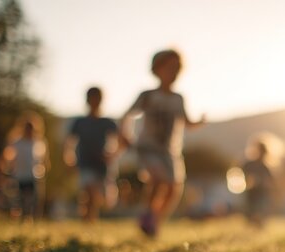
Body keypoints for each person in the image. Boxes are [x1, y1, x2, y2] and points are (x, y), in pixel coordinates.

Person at [118, 49, 205, 236]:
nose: (173, 72)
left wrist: (199, 122)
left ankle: (155, 220)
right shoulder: (148, 96)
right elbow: (127, 115)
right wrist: (124, 135)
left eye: (177, 69)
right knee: (158, 179)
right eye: (169, 67)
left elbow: (187, 123)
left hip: (169, 151)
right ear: (157, 70)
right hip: (147, 148)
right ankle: (148, 214)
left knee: (174, 188)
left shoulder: (178, 98)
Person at [64, 87, 119, 222]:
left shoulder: (106, 122)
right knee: (88, 190)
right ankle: (87, 220)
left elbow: (121, 139)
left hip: (101, 165)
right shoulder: (80, 122)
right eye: (92, 98)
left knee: (97, 196)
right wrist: (67, 158)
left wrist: (112, 153)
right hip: (85, 163)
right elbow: (68, 142)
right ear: (87, 100)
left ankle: (91, 218)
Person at [0, 112, 50, 222]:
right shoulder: (16, 143)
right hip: (19, 176)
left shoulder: (39, 143)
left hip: (34, 177)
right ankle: (21, 221)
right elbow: (7, 157)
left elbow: (44, 160)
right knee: (20, 202)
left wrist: (44, 169)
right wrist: (5, 171)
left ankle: (32, 220)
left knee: (33, 201)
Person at [241, 135, 280, 226]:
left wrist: (265, 184)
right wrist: (249, 181)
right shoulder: (248, 164)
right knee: (251, 213)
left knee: (260, 212)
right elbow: (240, 175)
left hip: (262, 194)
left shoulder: (266, 167)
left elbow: (272, 182)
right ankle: (252, 222)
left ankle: (259, 223)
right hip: (251, 193)